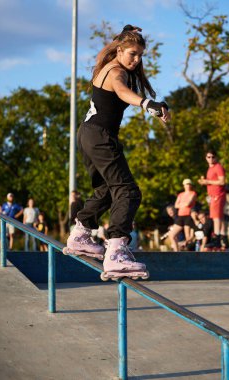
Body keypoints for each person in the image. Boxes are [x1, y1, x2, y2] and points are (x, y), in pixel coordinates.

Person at [64, 24, 170, 279]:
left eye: (140, 55)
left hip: (88, 134)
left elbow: (111, 49)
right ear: (120, 50)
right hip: (100, 136)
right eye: (132, 53)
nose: (136, 60)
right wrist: (147, 104)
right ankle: (116, 252)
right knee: (128, 190)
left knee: (106, 190)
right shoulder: (115, 72)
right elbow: (123, 92)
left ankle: (80, 234)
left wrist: (123, 32)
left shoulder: (105, 62)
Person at [198, 148, 228, 249]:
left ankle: (216, 240)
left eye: (213, 157)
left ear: (216, 157)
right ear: (206, 158)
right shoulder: (210, 169)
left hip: (218, 195)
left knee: (216, 218)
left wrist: (207, 182)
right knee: (219, 218)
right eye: (208, 157)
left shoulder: (218, 167)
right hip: (212, 196)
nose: (211, 159)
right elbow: (211, 182)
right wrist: (205, 182)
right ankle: (224, 240)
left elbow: (222, 181)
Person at [169, 179, 197, 251]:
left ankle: (190, 252)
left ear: (191, 185)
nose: (187, 186)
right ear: (184, 185)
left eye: (189, 184)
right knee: (171, 235)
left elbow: (188, 203)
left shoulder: (193, 193)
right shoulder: (181, 194)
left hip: (188, 216)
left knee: (188, 237)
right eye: (186, 184)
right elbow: (176, 205)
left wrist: (182, 204)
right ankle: (176, 252)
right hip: (180, 216)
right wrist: (184, 204)